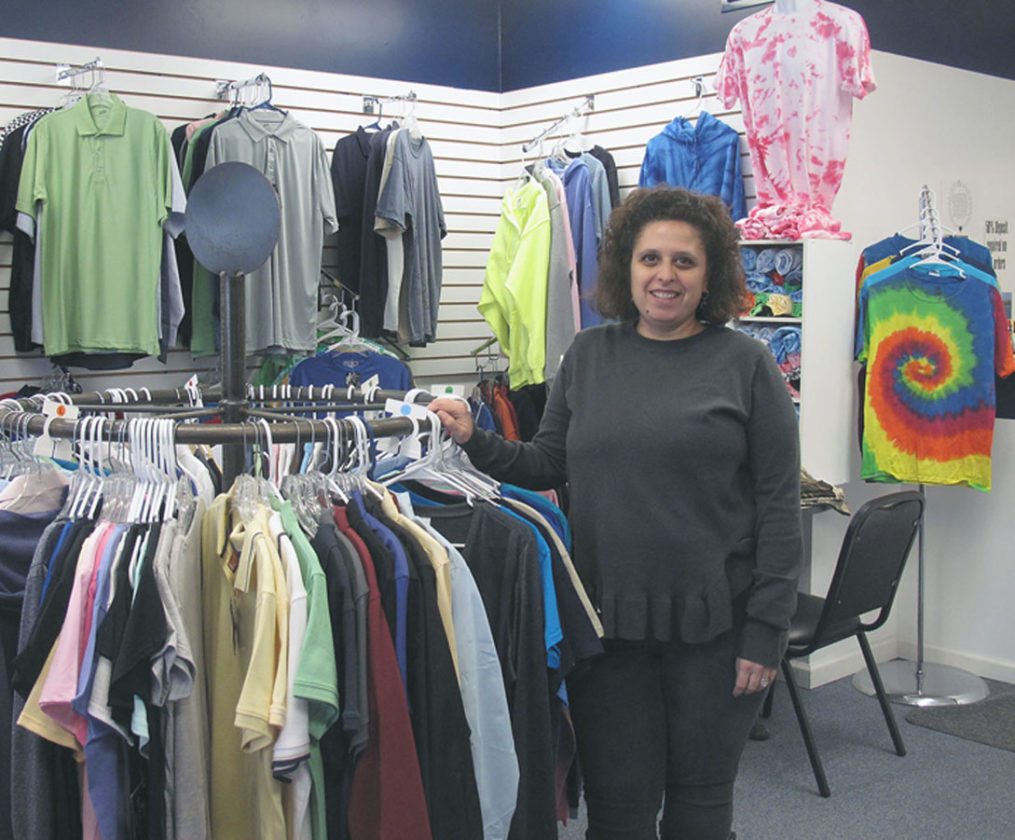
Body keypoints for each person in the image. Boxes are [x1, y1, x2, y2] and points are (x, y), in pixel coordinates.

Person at [429, 187, 802, 840]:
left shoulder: (746, 364)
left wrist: (766, 632)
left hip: (718, 628)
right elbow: (547, 462)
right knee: (617, 810)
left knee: (700, 807)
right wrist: (473, 439)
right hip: (606, 627)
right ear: (625, 266)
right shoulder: (588, 355)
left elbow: (778, 505)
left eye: (684, 261)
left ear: (709, 273)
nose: (664, 275)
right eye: (649, 258)